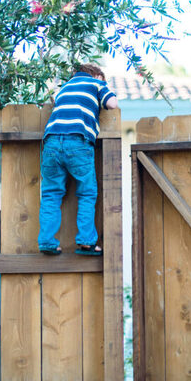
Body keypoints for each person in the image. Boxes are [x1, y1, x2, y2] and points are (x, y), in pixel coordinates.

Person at [38, 63, 118, 255]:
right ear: (97, 75)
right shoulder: (96, 84)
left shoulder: (64, 87)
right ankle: (86, 242)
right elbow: (112, 104)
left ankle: (47, 242)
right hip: (77, 141)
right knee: (86, 193)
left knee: (50, 194)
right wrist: (103, 91)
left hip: (51, 143)